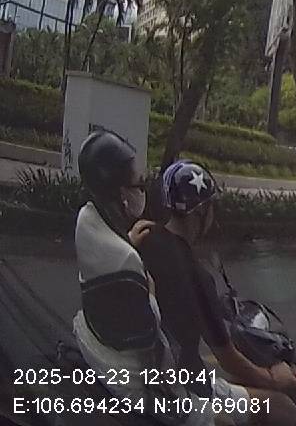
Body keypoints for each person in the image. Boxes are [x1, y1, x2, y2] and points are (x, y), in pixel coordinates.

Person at [137, 160, 296, 426]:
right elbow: (228, 358)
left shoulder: (143, 237)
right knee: (283, 408)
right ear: (200, 211)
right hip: (186, 387)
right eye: (211, 206)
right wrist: (272, 379)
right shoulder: (196, 275)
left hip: (151, 374)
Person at [71, 129, 203, 422]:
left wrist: (127, 241)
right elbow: (151, 341)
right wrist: (150, 289)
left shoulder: (87, 219)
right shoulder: (128, 261)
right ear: (121, 193)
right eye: (139, 185)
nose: (142, 191)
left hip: (98, 348)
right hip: (136, 383)